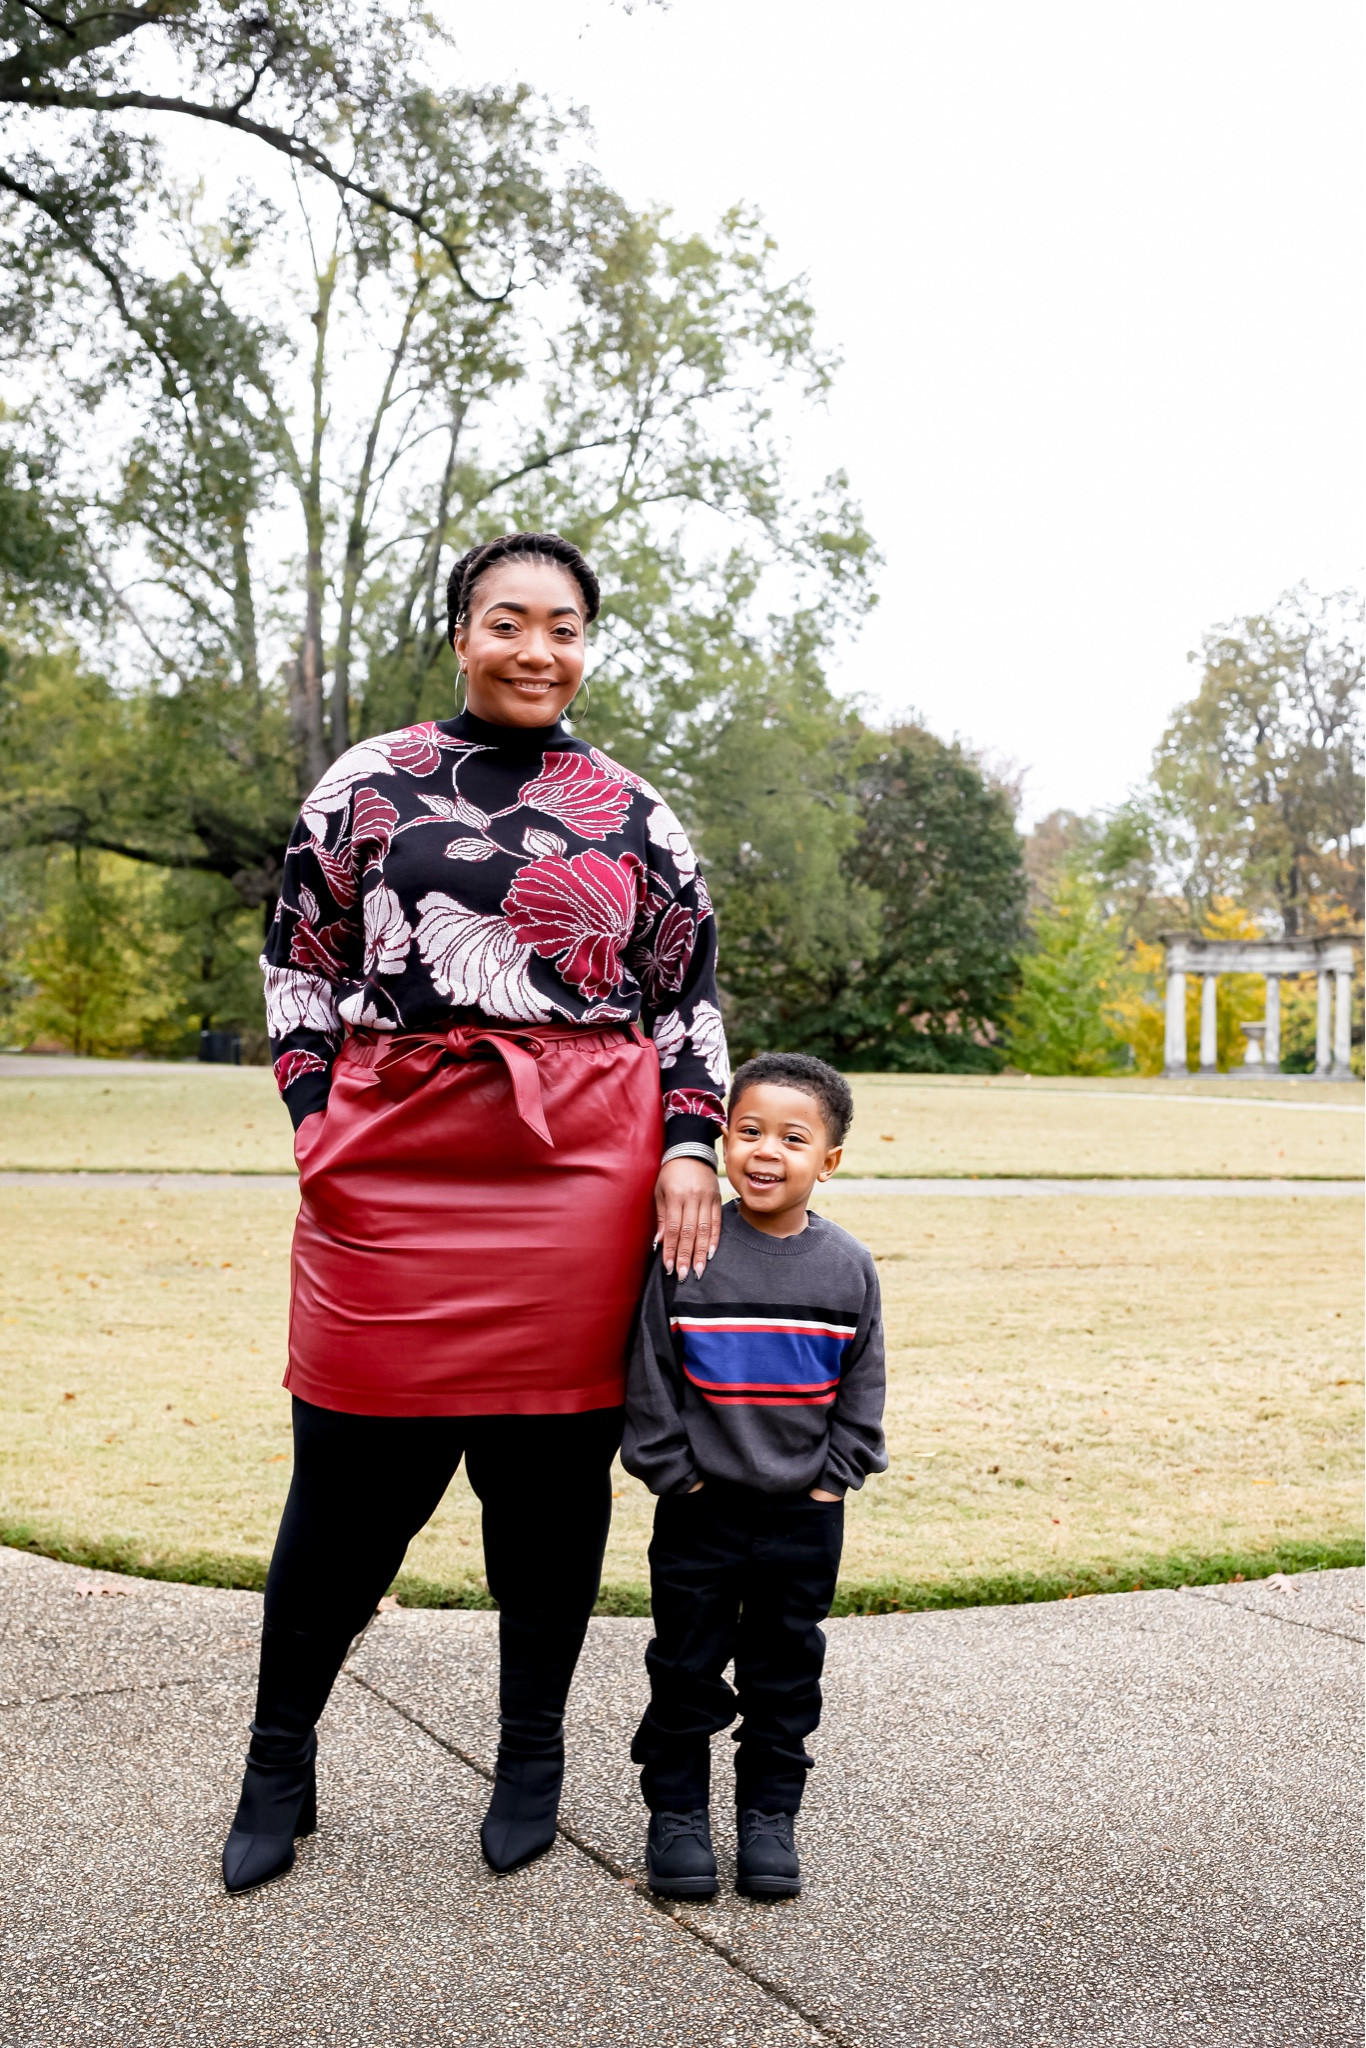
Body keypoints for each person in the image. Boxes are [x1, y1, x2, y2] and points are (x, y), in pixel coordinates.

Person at [222, 530, 728, 1896]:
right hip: (388, 1158)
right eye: (509, 621)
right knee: (344, 1490)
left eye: (563, 626)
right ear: (462, 633)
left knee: (549, 1495)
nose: (536, 649)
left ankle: (529, 1760)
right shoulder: (368, 784)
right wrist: (317, 1119)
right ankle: (280, 1758)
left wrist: (690, 1149)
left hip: (578, 1174)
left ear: (586, 645)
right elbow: (297, 965)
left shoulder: (631, 811)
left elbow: (684, 1000)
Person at [622, 1052, 887, 1901]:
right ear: (724, 1140)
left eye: (792, 1138)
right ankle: (678, 1817)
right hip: (701, 1510)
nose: (765, 1151)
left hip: (803, 1518)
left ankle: (769, 1820)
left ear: (828, 1161)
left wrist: (830, 1482)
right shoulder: (689, 1250)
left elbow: (863, 1388)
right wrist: (680, 1478)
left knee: (784, 1673)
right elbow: (651, 1376)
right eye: (748, 1131)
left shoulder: (846, 1267)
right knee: (686, 1668)